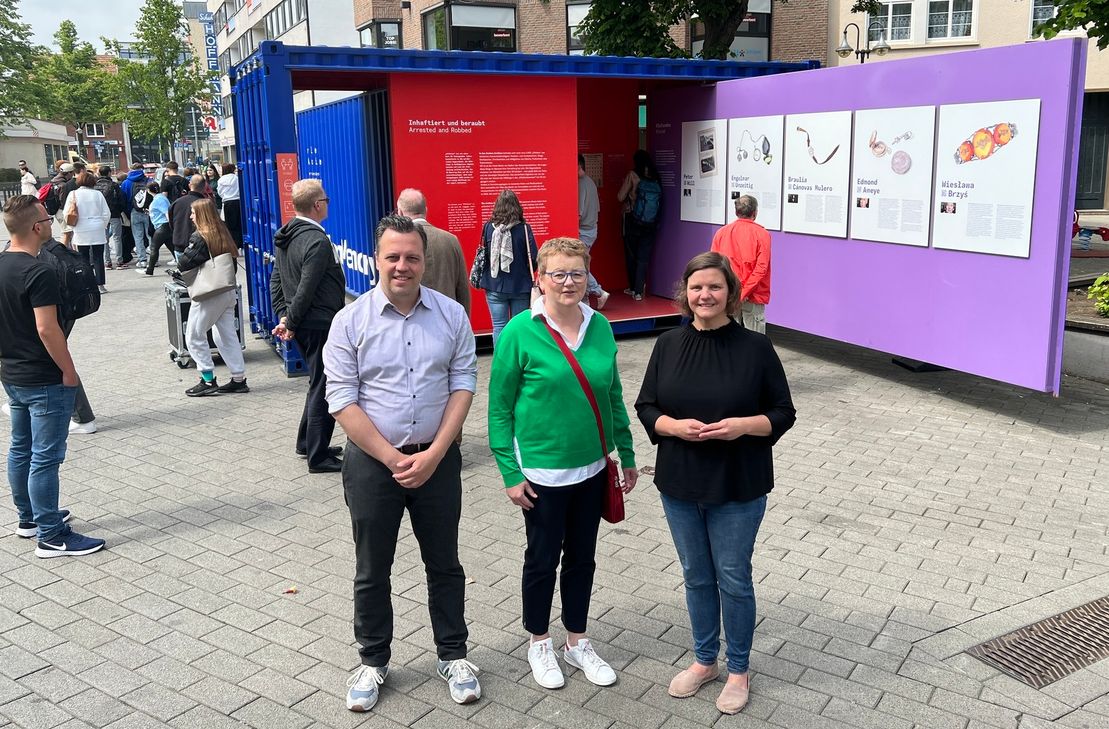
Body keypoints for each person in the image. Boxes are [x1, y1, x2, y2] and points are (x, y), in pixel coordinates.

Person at [323, 215, 480, 713]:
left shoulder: (452, 315)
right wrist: (393, 457)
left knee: (445, 563)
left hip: (437, 458)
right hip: (374, 463)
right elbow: (342, 400)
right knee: (373, 568)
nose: (402, 265)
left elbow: (463, 384)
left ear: (424, 261)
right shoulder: (350, 321)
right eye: (393, 256)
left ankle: (453, 654)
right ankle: (373, 660)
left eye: (412, 257)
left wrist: (434, 454)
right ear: (377, 259)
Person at [634, 252, 795, 715]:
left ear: (731, 294)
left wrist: (744, 425)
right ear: (685, 292)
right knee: (696, 576)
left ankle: (739, 669)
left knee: (733, 578)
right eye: (697, 287)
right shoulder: (668, 344)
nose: (705, 295)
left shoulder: (756, 349)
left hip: (738, 483)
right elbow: (646, 405)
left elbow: (784, 412)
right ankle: (705, 660)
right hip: (680, 482)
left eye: (715, 288)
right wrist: (671, 426)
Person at [487, 236, 637, 691]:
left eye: (577, 273)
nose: (568, 282)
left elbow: (612, 396)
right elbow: (499, 410)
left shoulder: (601, 327)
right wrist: (510, 474)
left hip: (591, 470)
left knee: (583, 560)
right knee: (541, 560)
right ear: (540, 278)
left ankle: (577, 641)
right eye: (558, 273)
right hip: (542, 476)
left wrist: (625, 454)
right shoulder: (519, 332)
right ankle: (538, 642)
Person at [0, 195, 105, 558]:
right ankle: (51, 534)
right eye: (47, 217)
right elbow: (47, 329)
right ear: (35, 226)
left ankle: (29, 518)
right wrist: (69, 370)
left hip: (12, 373)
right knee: (45, 457)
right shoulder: (39, 270)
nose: (51, 222)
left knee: (21, 449)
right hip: (43, 376)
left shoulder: (1, 264)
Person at [270, 180, 346, 473]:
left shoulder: (287, 236)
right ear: (318, 205)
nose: (328, 203)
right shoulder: (316, 240)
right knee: (326, 385)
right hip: (318, 322)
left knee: (317, 381)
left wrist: (283, 317)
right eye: (325, 199)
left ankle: (307, 442)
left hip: (302, 322)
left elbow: (277, 280)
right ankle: (318, 455)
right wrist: (290, 320)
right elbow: (307, 287)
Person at [175, 200, 248, 397]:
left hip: (209, 292)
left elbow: (184, 262)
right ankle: (238, 378)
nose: (191, 216)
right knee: (225, 335)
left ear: (201, 215)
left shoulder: (201, 237)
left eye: (193, 213)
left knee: (194, 335)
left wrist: (180, 258)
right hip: (227, 290)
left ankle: (207, 379)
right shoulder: (223, 232)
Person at [37, 236, 98, 435]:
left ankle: (83, 417)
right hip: (66, 308)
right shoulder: (54, 247)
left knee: (55, 358)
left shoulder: (33, 250)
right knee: (52, 356)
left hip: (52, 313)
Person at [475, 189, 538, 345]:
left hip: (494, 285)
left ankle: (501, 362)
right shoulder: (524, 228)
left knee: (499, 327)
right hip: (520, 287)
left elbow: (485, 255)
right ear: (517, 207)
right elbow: (534, 259)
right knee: (520, 327)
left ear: (497, 207)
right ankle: (520, 362)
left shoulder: (488, 227)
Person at [396, 188, 470, 314]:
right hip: (448, 316)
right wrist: (464, 321)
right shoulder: (451, 240)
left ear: (400, 213)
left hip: (412, 318)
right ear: (425, 210)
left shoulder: (397, 243)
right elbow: (462, 287)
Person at [710, 195, 771, 334]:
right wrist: (744, 292)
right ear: (754, 213)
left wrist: (733, 292)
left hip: (729, 293)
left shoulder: (721, 233)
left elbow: (714, 265)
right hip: (753, 295)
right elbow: (761, 269)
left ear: (736, 212)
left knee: (728, 337)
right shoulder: (762, 234)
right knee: (756, 340)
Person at [617, 150, 661, 301]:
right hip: (650, 222)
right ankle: (638, 291)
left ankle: (632, 287)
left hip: (632, 219)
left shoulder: (633, 175)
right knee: (643, 256)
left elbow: (620, 196)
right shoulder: (655, 176)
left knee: (631, 254)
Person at [64, 171, 111, 295]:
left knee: (83, 257)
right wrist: (103, 225)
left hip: (81, 228)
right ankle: (100, 284)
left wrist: (71, 226)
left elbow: (67, 213)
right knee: (98, 257)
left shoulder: (73, 194)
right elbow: (106, 213)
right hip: (97, 227)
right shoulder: (98, 194)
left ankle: (86, 283)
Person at [577, 155, 608, 309]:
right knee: (581, 264)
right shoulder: (590, 182)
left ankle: (597, 292)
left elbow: (579, 212)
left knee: (579, 266)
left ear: (578, 165)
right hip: (591, 229)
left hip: (583, 231)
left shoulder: (581, 184)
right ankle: (586, 299)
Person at [95, 166, 127, 269]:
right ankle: (119, 261)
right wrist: (120, 210)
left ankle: (107, 262)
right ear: (109, 173)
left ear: (99, 173)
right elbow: (121, 200)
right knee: (117, 238)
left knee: (104, 239)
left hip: (100, 216)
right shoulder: (114, 185)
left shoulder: (95, 186)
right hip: (114, 214)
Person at [122, 163, 151, 269]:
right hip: (148, 211)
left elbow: (125, 199)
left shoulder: (126, 182)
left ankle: (142, 260)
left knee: (138, 236)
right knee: (150, 235)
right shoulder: (148, 180)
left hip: (134, 211)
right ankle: (153, 259)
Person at [169, 175, 207, 256]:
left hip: (179, 243)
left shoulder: (177, 202)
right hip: (199, 246)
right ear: (204, 187)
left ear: (190, 185)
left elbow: (171, 223)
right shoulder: (205, 204)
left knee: (182, 268)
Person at [143, 183, 173, 275]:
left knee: (154, 248)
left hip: (162, 226)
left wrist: (171, 224)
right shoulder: (160, 198)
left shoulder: (159, 199)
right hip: (164, 226)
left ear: (148, 190)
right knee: (172, 247)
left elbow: (166, 212)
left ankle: (149, 270)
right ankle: (183, 265)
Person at [217, 163, 242, 249]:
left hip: (227, 202)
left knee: (230, 225)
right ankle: (241, 244)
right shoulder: (236, 178)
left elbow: (219, 192)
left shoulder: (221, 180)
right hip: (238, 201)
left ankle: (233, 245)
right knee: (239, 224)